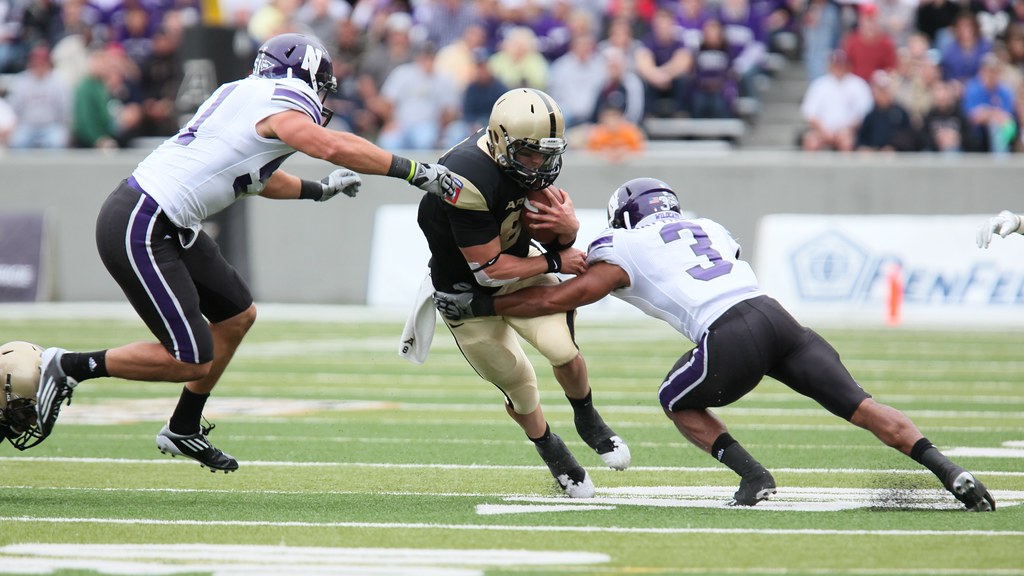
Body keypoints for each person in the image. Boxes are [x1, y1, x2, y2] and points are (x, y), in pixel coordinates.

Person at [434, 177, 997, 513]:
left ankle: (754, 475)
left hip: (730, 330)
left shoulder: (622, 244)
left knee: (675, 399)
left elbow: (563, 298)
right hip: (779, 318)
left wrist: (487, 305)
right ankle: (951, 473)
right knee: (861, 405)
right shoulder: (709, 227)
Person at [27, 33, 456, 470]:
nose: (321, 96)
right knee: (189, 358)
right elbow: (329, 146)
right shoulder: (284, 99)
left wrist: (318, 190)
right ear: (305, 74)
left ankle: (183, 427)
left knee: (236, 316)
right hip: (144, 222)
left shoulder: (242, 94)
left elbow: (255, 178)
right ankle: (68, 365)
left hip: (165, 220)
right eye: (321, 84)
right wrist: (413, 171)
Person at [416, 88, 631, 498]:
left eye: (546, 155)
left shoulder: (526, 161)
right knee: (519, 384)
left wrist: (567, 228)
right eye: (528, 155)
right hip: (466, 292)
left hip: (519, 271)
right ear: (499, 141)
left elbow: (560, 240)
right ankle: (551, 449)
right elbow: (491, 270)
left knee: (562, 349)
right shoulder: (467, 177)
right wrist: (553, 263)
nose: (538, 165)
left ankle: (587, 417)